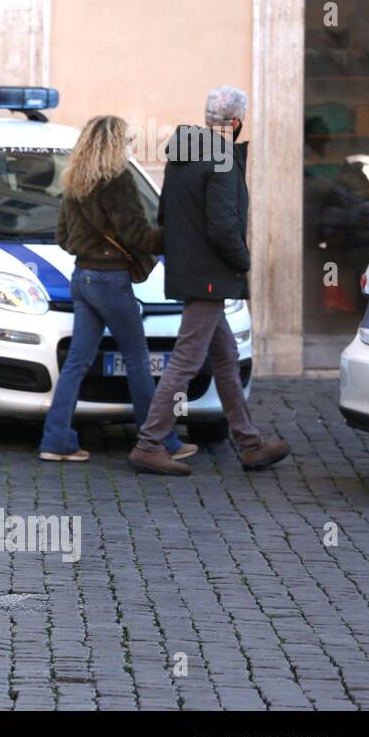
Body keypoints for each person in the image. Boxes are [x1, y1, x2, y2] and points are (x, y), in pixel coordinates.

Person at [129, 86, 291, 476]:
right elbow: (223, 227)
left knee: (225, 357)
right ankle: (149, 444)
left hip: (191, 271)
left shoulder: (182, 154)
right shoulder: (220, 158)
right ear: (236, 123)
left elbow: (165, 214)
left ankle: (250, 443)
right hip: (209, 277)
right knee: (186, 359)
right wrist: (243, 261)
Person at [39, 116, 196, 463]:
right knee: (138, 360)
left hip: (82, 277)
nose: (129, 146)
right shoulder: (119, 181)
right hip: (111, 281)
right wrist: (174, 235)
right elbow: (138, 234)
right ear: (114, 144)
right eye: (125, 141)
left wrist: (94, 250)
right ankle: (158, 441)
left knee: (77, 363)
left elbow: (64, 238)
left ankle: (56, 439)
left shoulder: (74, 180)